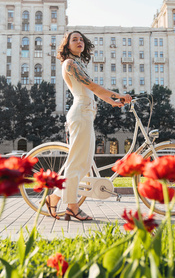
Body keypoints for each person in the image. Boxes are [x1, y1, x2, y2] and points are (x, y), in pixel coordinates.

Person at [45, 31, 132, 221]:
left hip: (87, 114)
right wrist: (118, 95)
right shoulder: (69, 64)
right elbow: (92, 86)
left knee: (82, 163)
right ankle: (72, 207)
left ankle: (54, 197)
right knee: (77, 162)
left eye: (81, 39)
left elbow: (94, 91)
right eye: (74, 39)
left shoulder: (79, 64)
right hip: (81, 113)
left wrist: (112, 102)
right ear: (67, 45)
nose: (79, 42)